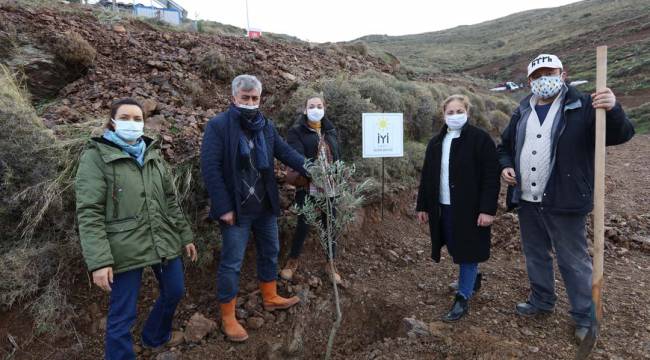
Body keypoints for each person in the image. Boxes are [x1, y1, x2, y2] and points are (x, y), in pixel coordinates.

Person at [497, 54, 635, 343]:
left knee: (573, 260)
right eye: (537, 75)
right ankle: (542, 300)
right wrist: (506, 165)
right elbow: (505, 146)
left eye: (550, 72)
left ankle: (585, 315)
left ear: (563, 74)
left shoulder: (584, 105)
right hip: (527, 198)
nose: (543, 79)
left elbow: (621, 135)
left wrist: (613, 110)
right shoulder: (522, 109)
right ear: (530, 81)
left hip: (566, 198)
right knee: (535, 254)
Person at [75, 98, 197, 360]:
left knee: (175, 290)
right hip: (123, 246)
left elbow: (170, 199)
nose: (132, 123)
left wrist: (184, 235)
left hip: (163, 238)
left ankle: (155, 336)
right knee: (123, 314)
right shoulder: (95, 157)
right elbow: (89, 212)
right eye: (126, 118)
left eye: (137, 119)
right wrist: (99, 261)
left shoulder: (153, 153)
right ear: (113, 121)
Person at [200, 74, 309, 342]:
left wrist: (313, 168)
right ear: (234, 97)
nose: (250, 102)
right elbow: (210, 169)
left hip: (264, 206)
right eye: (245, 98)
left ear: (260, 99)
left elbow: (285, 152)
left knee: (270, 251)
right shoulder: (218, 126)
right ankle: (228, 316)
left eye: (254, 98)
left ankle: (270, 296)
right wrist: (223, 207)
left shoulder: (265, 126)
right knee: (232, 262)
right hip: (236, 209)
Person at [416, 94, 500, 322]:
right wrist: (422, 205)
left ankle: (462, 297)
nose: (454, 116)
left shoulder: (480, 139)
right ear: (443, 115)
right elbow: (427, 177)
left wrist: (487, 209)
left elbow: (491, 177)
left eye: (459, 111)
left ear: (468, 112)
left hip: (470, 208)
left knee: (467, 250)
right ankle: (473, 278)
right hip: (443, 206)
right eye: (450, 112)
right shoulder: (435, 143)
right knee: (452, 244)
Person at [280, 95, 342, 283]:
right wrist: (316, 173)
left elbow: (339, 156)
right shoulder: (296, 131)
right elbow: (296, 157)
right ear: (305, 110)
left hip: (331, 186)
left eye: (319, 106)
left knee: (329, 224)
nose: (316, 109)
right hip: (308, 185)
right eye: (312, 106)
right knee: (304, 223)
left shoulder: (330, 131)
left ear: (325, 108)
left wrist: (338, 176)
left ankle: (330, 263)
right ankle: (293, 261)